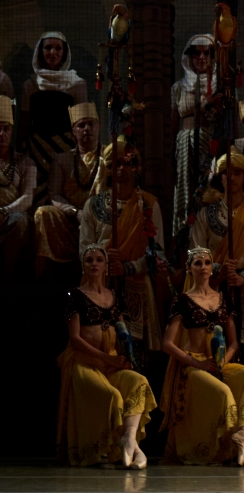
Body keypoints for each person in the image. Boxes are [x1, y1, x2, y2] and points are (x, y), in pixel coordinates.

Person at [160, 247, 244, 465]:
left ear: (213, 268)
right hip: (193, 365)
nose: (203, 267)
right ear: (189, 269)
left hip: (219, 362)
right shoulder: (182, 299)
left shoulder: (223, 298)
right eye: (197, 263)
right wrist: (198, 363)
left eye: (207, 262)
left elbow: (233, 343)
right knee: (222, 392)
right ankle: (236, 445)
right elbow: (167, 344)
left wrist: (222, 363)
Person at [56, 244, 156, 468]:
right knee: (112, 396)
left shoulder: (114, 295)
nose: (94, 264)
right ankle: (105, 449)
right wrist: (105, 357)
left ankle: (128, 441)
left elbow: (122, 330)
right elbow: (75, 338)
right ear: (83, 265)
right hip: (85, 362)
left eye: (99, 260)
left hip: (110, 361)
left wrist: (125, 356)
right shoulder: (75, 295)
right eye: (89, 260)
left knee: (139, 383)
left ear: (105, 266)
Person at [79, 138, 166, 363]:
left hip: (136, 285)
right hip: (100, 284)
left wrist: (129, 266)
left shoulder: (148, 204)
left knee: (135, 353)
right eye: (114, 164)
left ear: (135, 167)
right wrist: (104, 260)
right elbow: (84, 249)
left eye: (126, 163)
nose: (120, 169)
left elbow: (158, 253)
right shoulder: (93, 205)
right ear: (107, 168)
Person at [191, 151, 244, 364]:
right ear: (219, 178)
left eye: (237, 173)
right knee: (216, 348)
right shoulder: (205, 215)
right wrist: (217, 269)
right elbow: (196, 252)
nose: (231, 177)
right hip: (215, 286)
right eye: (226, 173)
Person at [19, 31, 88, 206]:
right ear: (40, 51)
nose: (53, 52)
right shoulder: (30, 85)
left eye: (58, 48)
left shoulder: (77, 84)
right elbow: (24, 122)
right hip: (37, 153)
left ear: (64, 52)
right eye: (48, 47)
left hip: (66, 152)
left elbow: (82, 122)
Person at [35, 103, 101, 275]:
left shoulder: (108, 156)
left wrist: (90, 216)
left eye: (91, 124)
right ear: (73, 131)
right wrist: (76, 213)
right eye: (81, 125)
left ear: (99, 127)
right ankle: (43, 276)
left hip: (99, 220)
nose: (87, 129)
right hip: (69, 219)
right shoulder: (62, 159)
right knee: (43, 213)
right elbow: (54, 194)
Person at [170, 34, 216, 233]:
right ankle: (184, 238)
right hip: (184, 145)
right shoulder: (179, 87)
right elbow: (172, 124)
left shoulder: (221, 85)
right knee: (186, 192)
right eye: (196, 53)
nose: (202, 57)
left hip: (212, 144)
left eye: (207, 53)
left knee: (209, 190)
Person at [0, 96, 36, 270]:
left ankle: (7, 279)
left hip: (10, 218)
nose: (2, 134)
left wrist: (5, 211)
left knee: (21, 220)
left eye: (6, 129)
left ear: (12, 131)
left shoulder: (25, 162)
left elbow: (28, 197)